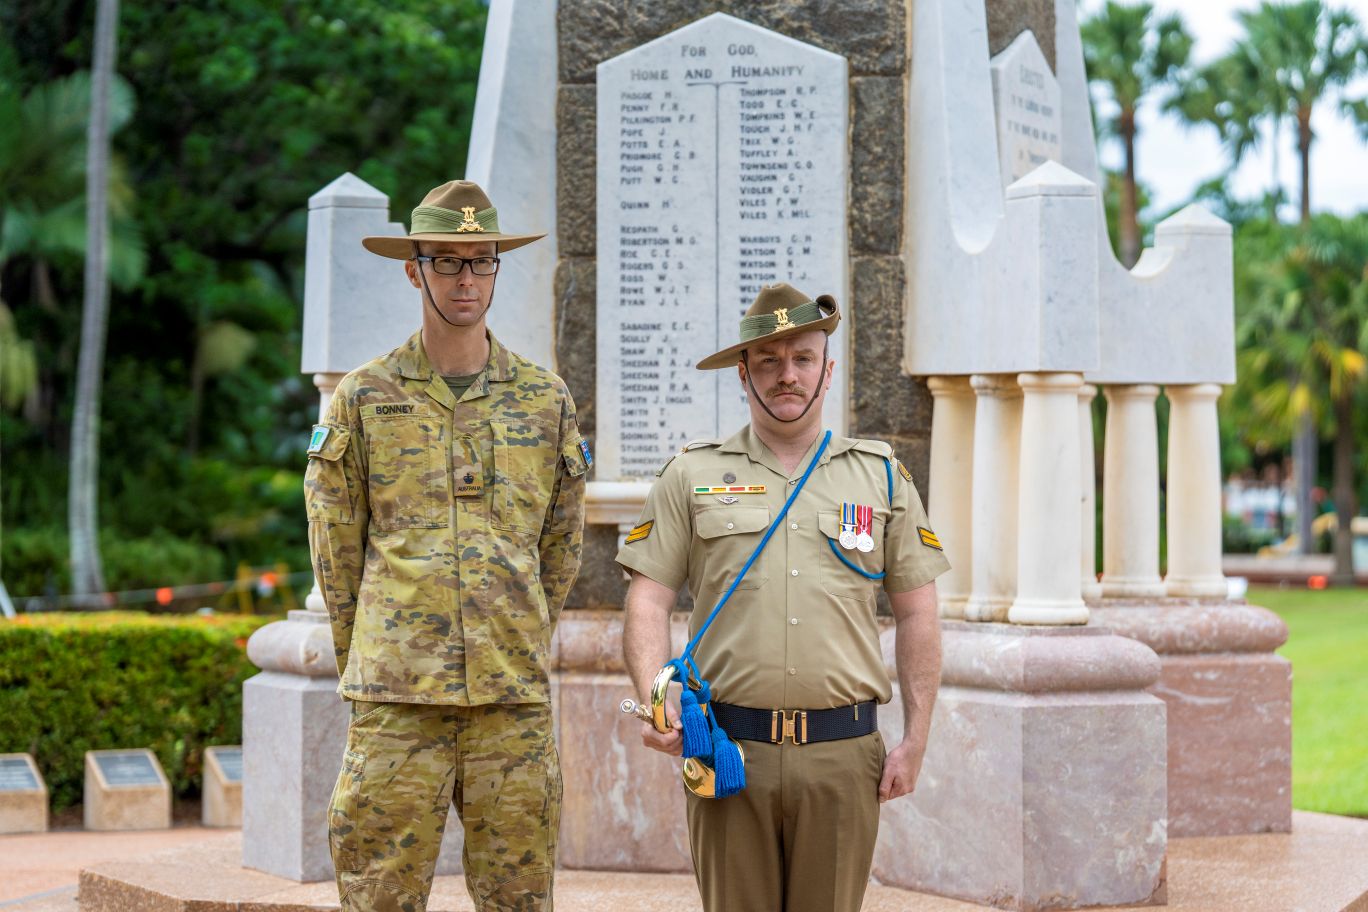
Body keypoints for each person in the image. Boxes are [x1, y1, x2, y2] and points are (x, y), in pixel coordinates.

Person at [618, 283, 949, 912]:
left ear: (827, 369)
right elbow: (648, 600)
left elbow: (918, 611)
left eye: (802, 358)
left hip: (843, 758)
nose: (786, 375)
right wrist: (656, 699)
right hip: (727, 751)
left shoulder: (881, 475)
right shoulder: (690, 474)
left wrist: (918, 736)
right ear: (743, 374)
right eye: (767, 361)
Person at [305, 179, 587, 912]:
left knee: (521, 900)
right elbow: (335, 550)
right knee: (379, 900)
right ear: (415, 268)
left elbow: (559, 544)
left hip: (510, 703)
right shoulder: (365, 399)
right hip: (398, 702)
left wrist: (514, 633)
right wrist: (372, 654)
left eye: (482, 261)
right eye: (448, 261)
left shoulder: (542, 398)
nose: (467, 279)